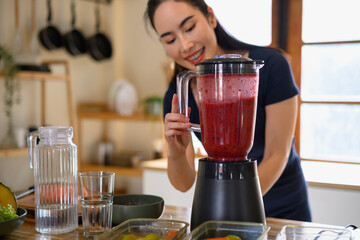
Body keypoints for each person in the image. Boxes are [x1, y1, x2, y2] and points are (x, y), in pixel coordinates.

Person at [144, 0, 312, 221]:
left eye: (189, 28)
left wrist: (236, 206)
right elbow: (183, 183)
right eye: (171, 39)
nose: (185, 45)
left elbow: (276, 155)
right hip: (226, 207)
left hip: (281, 210)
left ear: (210, 17)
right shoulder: (178, 94)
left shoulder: (272, 67)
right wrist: (175, 152)